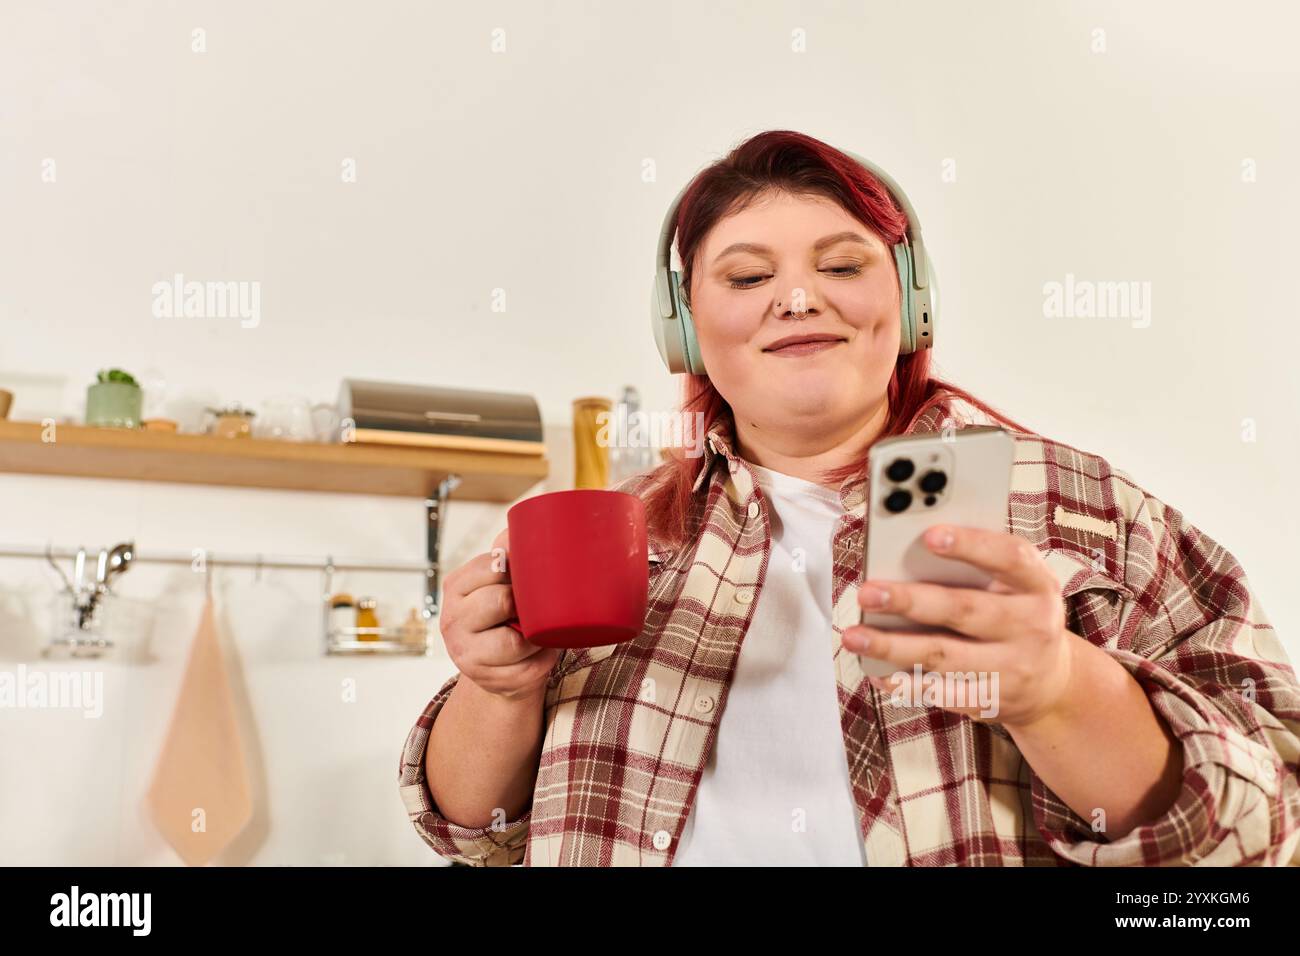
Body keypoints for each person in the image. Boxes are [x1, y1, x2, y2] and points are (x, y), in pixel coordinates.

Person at [399, 130, 1300, 866]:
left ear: (911, 304)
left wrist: (1055, 689)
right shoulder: (627, 530)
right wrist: (498, 687)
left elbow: (1267, 828)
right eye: (748, 277)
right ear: (682, 328)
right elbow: (469, 830)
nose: (796, 299)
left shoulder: (1091, 508)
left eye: (842, 266)